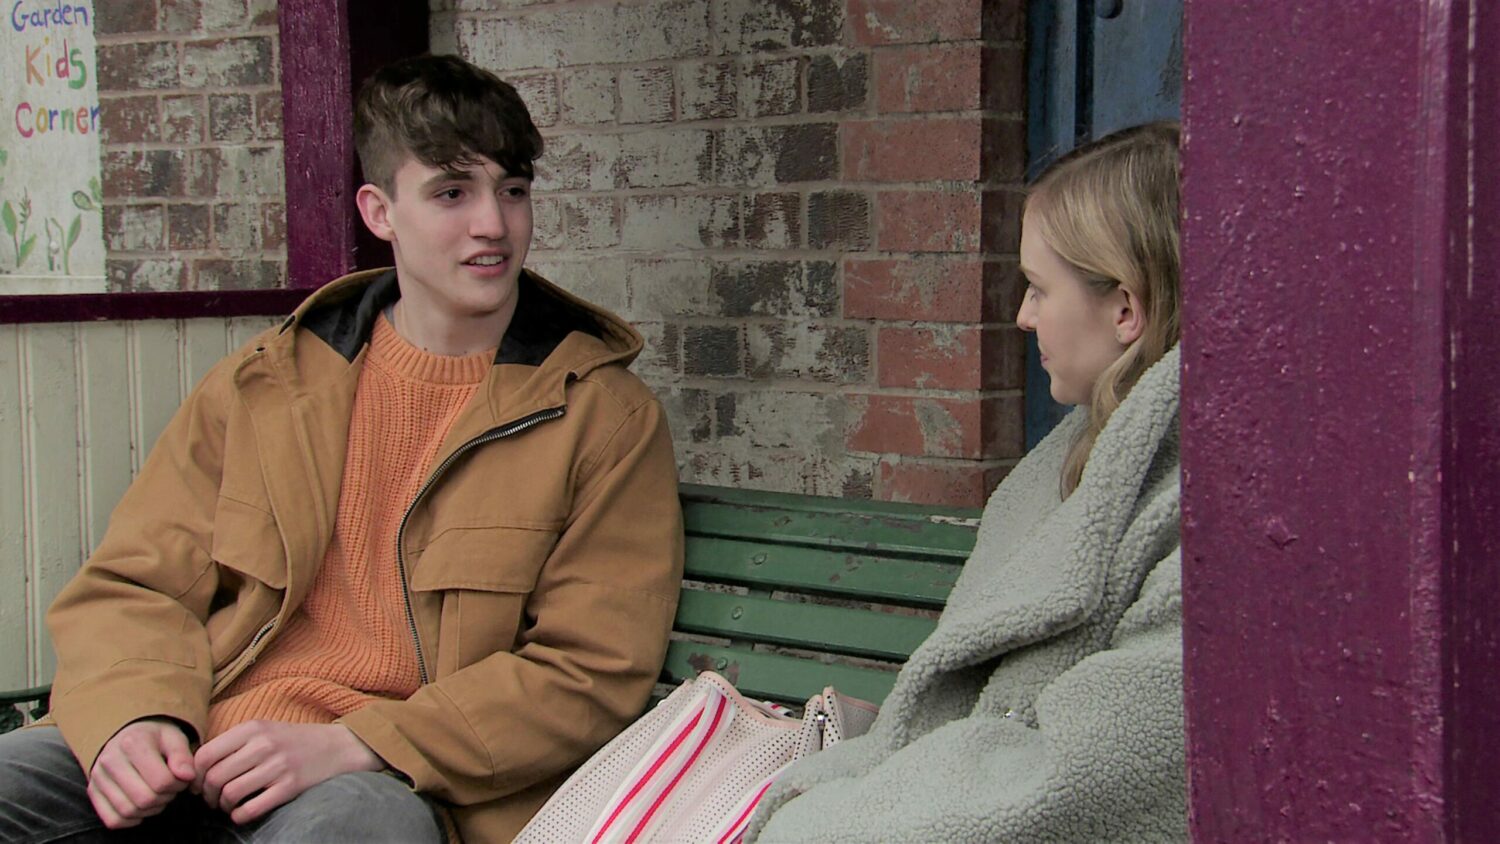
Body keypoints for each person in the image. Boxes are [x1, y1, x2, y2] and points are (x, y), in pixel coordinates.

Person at [0, 54, 684, 843]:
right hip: (198, 740)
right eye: (452, 193)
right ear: (379, 211)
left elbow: (589, 671)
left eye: (513, 190)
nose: (493, 224)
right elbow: (134, 583)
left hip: (384, 779)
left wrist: (360, 742)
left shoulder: (602, 417)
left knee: (359, 828)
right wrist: (137, 715)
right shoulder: (267, 384)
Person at [747, 122, 1186, 841]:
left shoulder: (1198, 516)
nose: (1022, 316)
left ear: (1125, 310)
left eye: (1039, 289)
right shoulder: (1065, 469)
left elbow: (1082, 779)